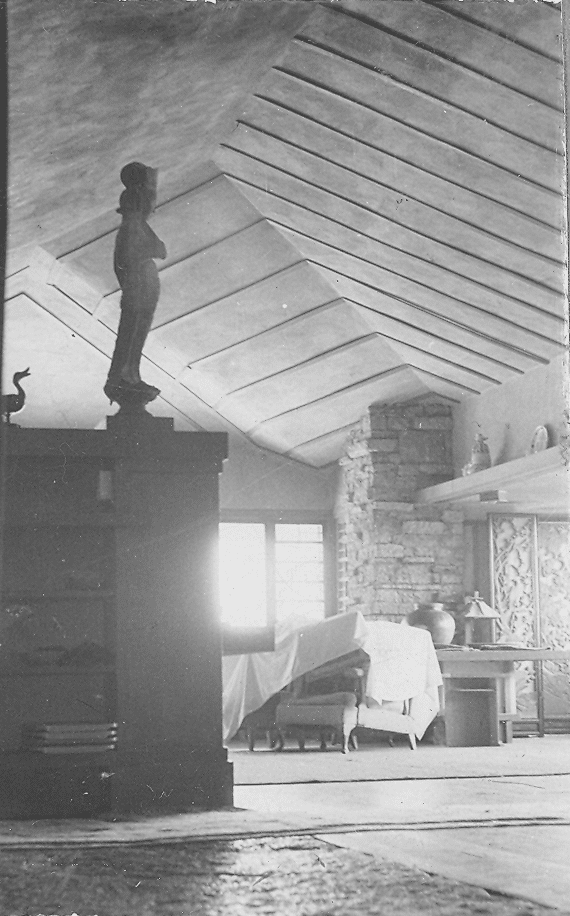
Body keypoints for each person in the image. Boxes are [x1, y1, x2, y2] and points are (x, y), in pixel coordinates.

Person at [104, 162, 167, 407]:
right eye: (149, 194)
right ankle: (123, 376)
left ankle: (130, 374)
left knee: (138, 327)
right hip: (138, 283)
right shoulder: (132, 225)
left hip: (142, 283)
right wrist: (152, 250)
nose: (152, 202)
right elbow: (129, 256)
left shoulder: (137, 225)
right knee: (133, 327)